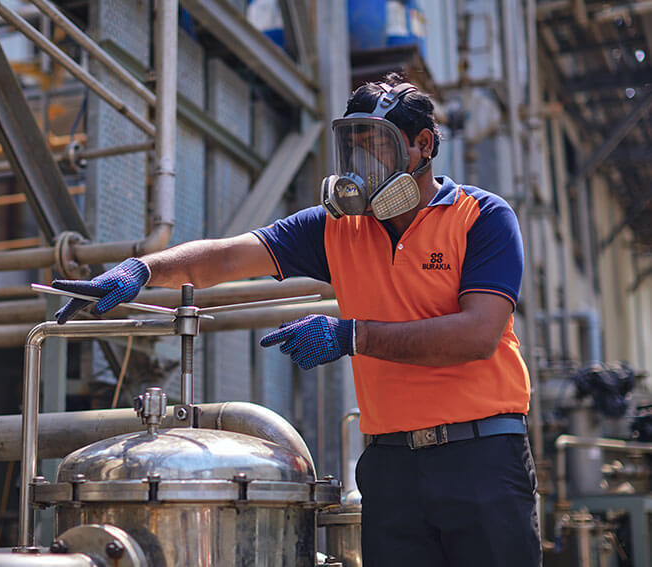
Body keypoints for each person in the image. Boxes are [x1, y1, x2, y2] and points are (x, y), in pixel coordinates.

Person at [51, 73, 541, 567]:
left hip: (481, 455)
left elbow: (478, 334)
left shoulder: (480, 216)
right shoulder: (337, 229)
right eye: (352, 149)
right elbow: (223, 259)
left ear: (422, 146)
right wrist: (142, 269)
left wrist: (353, 335)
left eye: (377, 147)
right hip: (392, 465)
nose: (362, 165)